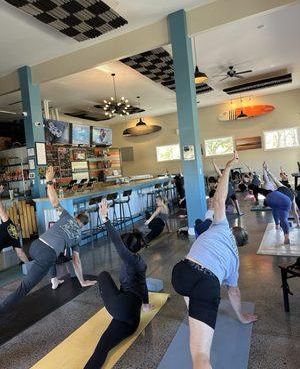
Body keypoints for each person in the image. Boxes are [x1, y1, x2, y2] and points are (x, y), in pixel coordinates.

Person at [172, 152, 258, 369]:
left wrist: (228, 167)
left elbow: (218, 200)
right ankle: (197, 313)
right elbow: (233, 292)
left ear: (232, 229)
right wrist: (241, 316)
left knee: (191, 285)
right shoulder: (235, 261)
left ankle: (194, 312)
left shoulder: (219, 227)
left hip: (180, 274)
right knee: (201, 357)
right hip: (205, 283)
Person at [0, 166, 96, 314]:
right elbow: (76, 262)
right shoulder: (78, 236)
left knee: (53, 256)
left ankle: (54, 280)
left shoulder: (66, 216)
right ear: (83, 225)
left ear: (76, 217)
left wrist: (49, 181)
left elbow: (53, 200)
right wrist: (82, 281)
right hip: (46, 255)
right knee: (24, 287)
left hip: (34, 246)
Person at [84, 199, 152, 369]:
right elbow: (142, 285)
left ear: (127, 250)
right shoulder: (140, 262)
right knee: (103, 347)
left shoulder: (129, 259)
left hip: (122, 306)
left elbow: (117, 241)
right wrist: (145, 303)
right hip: (131, 320)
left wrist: (105, 218)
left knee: (103, 275)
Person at [257, 162, 300, 244]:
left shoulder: (282, 187)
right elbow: (295, 213)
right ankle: (286, 237)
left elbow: (274, 178)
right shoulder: (292, 197)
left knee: (274, 207)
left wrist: (267, 170)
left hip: (272, 198)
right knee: (284, 219)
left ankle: (276, 225)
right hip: (285, 202)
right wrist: (298, 224)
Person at [0, 185, 29, 264]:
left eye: (18, 225)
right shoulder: (15, 239)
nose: (18, 224)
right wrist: (28, 264)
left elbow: (1, 210)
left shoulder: (9, 224)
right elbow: (20, 254)